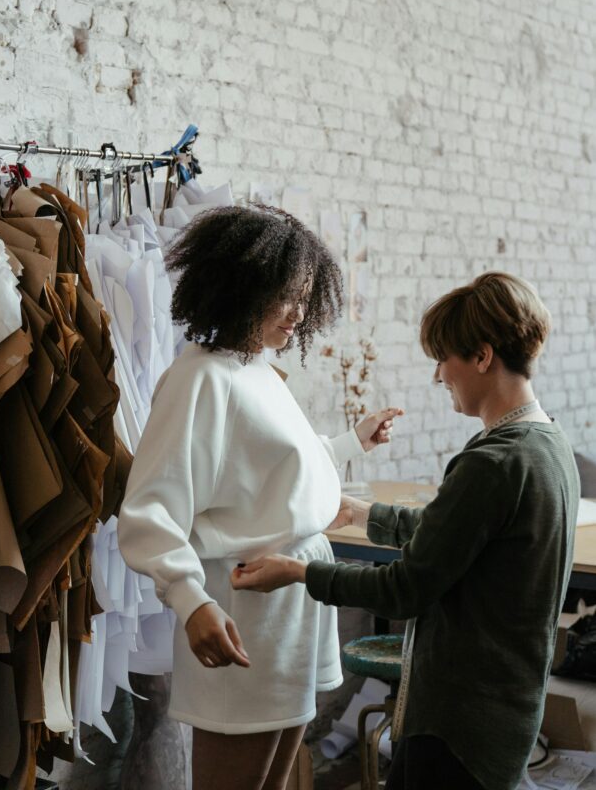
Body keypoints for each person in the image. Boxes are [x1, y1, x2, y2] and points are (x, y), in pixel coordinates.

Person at [233, 272, 580, 790]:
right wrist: (362, 513)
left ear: (482, 356)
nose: (440, 375)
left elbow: (404, 589)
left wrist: (298, 572)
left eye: (444, 359)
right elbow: (460, 538)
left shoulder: (493, 461)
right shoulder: (549, 445)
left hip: (459, 723)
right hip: (508, 708)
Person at [117, 205, 403, 790]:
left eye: (305, 297)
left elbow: (268, 465)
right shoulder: (200, 378)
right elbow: (150, 507)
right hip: (243, 611)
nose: (298, 313)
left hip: (293, 605)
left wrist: (350, 441)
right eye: (285, 297)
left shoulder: (257, 370)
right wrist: (191, 600)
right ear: (243, 288)